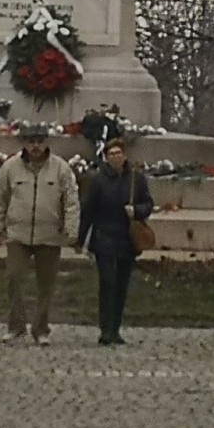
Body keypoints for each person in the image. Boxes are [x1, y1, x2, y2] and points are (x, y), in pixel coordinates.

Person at [0, 123, 79, 346]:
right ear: (24, 144)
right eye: (31, 142)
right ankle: (16, 326)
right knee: (14, 277)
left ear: (46, 143)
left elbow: (71, 201)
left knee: (46, 284)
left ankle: (41, 329)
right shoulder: (10, 167)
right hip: (18, 234)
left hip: (49, 235)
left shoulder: (61, 168)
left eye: (39, 141)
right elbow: (0, 198)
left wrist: (72, 229)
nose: (35, 146)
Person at [78, 134, 155, 348]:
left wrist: (137, 210)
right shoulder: (98, 180)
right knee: (107, 282)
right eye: (111, 154)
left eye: (118, 153)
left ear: (124, 155)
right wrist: (80, 238)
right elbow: (88, 210)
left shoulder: (137, 179)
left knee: (121, 285)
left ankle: (115, 329)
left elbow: (148, 203)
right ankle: (105, 329)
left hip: (127, 239)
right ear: (106, 157)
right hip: (104, 237)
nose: (115, 157)